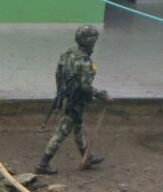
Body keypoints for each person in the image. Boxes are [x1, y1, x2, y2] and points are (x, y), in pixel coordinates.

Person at [36, 25, 109, 174]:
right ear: (90, 42)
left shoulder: (68, 53)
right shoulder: (85, 62)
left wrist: (60, 92)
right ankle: (43, 163)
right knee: (62, 132)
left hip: (66, 97)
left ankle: (86, 156)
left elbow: (58, 73)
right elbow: (85, 86)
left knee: (78, 128)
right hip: (74, 102)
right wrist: (101, 94)